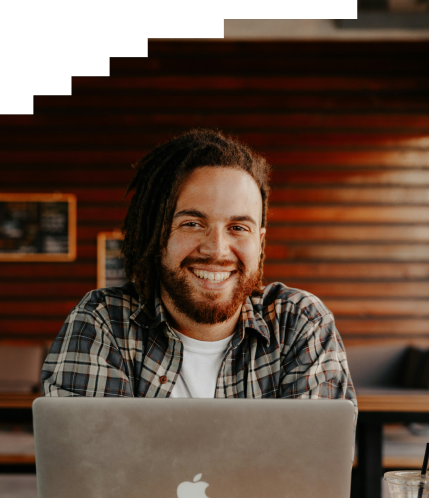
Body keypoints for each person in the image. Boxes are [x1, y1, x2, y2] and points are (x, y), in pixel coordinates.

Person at [41, 127, 357, 424]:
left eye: (238, 228)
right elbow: (92, 471)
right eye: (192, 223)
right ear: (157, 234)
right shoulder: (103, 323)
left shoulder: (300, 323)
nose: (217, 249)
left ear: (259, 243)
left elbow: (309, 473)